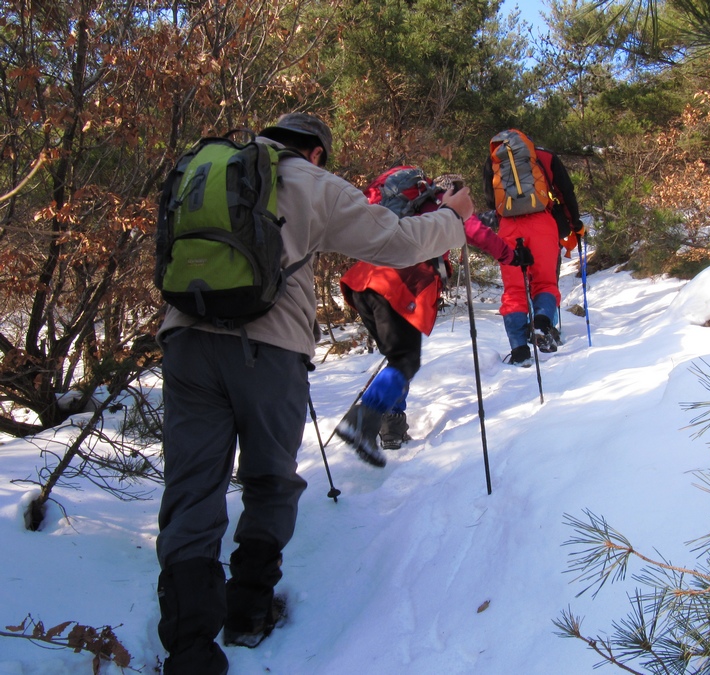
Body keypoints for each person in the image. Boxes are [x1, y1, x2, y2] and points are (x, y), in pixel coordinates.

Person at [154, 113, 474, 675]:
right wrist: (453, 218)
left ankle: (188, 652)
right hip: (268, 348)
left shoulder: (204, 168)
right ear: (316, 152)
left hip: (184, 338)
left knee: (191, 491)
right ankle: (249, 609)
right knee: (270, 478)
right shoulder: (308, 180)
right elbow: (398, 241)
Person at [335, 171, 533, 467]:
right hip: (398, 286)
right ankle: (363, 421)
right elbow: (475, 232)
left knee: (398, 362)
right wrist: (511, 256)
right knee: (405, 361)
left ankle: (390, 427)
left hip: (364, 282)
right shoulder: (444, 204)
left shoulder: (408, 202)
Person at [482, 131, 583, 367]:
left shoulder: (494, 160)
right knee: (545, 283)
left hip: (508, 227)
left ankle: (519, 350)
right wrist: (574, 223)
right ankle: (543, 320)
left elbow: (491, 199)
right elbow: (566, 192)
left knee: (514, 289)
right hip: (542, 223)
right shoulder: (544, 156)